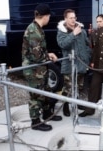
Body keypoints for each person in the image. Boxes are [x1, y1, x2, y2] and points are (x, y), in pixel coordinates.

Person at [22, 3, 62, 131]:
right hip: (33, 71)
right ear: (45, 16)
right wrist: (49, 57)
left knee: (46, 92)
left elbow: (39, 51)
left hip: (40, 69)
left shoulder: (37, 29)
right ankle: (35, 123)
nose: (49, 18)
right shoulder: (34, 31)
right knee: (36, 96)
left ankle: (46, 114)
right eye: (49, 16)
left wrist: (48, 54)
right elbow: (37, 57)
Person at [57, 9, 92, 117]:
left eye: (74, 17)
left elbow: (87, 45)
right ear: (65, 19)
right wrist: (73, 34)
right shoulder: (62, 31)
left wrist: (88, 58)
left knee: (78, 87)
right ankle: (65, 105)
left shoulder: (81, 30)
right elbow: (63, 44)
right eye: (70, 18)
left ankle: (76, 103)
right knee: (68, 87)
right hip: (69, 65)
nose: (73, 20)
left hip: (81, 64)